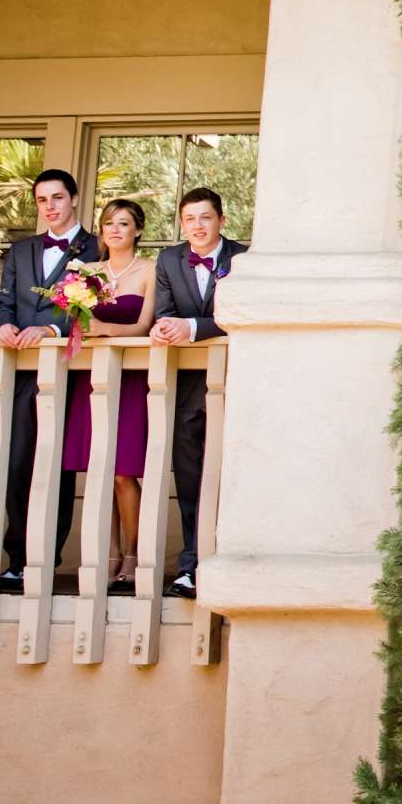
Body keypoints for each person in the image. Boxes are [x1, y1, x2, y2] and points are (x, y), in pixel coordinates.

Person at [0, 169, 99, 596]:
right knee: (18, 464)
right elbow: (5, 302)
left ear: (73, 198)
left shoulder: (96, 246)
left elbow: (94, 303)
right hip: (21, 373)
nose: (50, 206)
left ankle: (44, 560)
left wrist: (53, 331)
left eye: (57, 197)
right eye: (42, 200)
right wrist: (3, 326)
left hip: (69, 372)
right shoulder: (21, 251)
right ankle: (15, 559)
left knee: (56, 467)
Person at [148, 186, 247, 599]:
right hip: (187, 386)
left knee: (230, 476)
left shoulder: (243, 258)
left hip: (238, 384)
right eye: (190, 219)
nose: (197, 226)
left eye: (205, 218)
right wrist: (165, 326)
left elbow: (240, 313)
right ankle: (190, 565)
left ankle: (228, 560)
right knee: (188, 477)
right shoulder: (170, 259)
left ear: (221, 221)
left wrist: (191, 329)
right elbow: (164, 312)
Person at [64, 199, 157, 596]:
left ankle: (133, 556)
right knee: (99, 472)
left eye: (124, 223)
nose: (115, 230)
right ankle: (109, 555)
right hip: (92, 378)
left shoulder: (150, 270)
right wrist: (89, 326)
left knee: (123, 472)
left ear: (137, 229)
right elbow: (73, 322)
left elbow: (144, 325)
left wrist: (105, 329)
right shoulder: (86, 273)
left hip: (133, 378)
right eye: (108, 224)